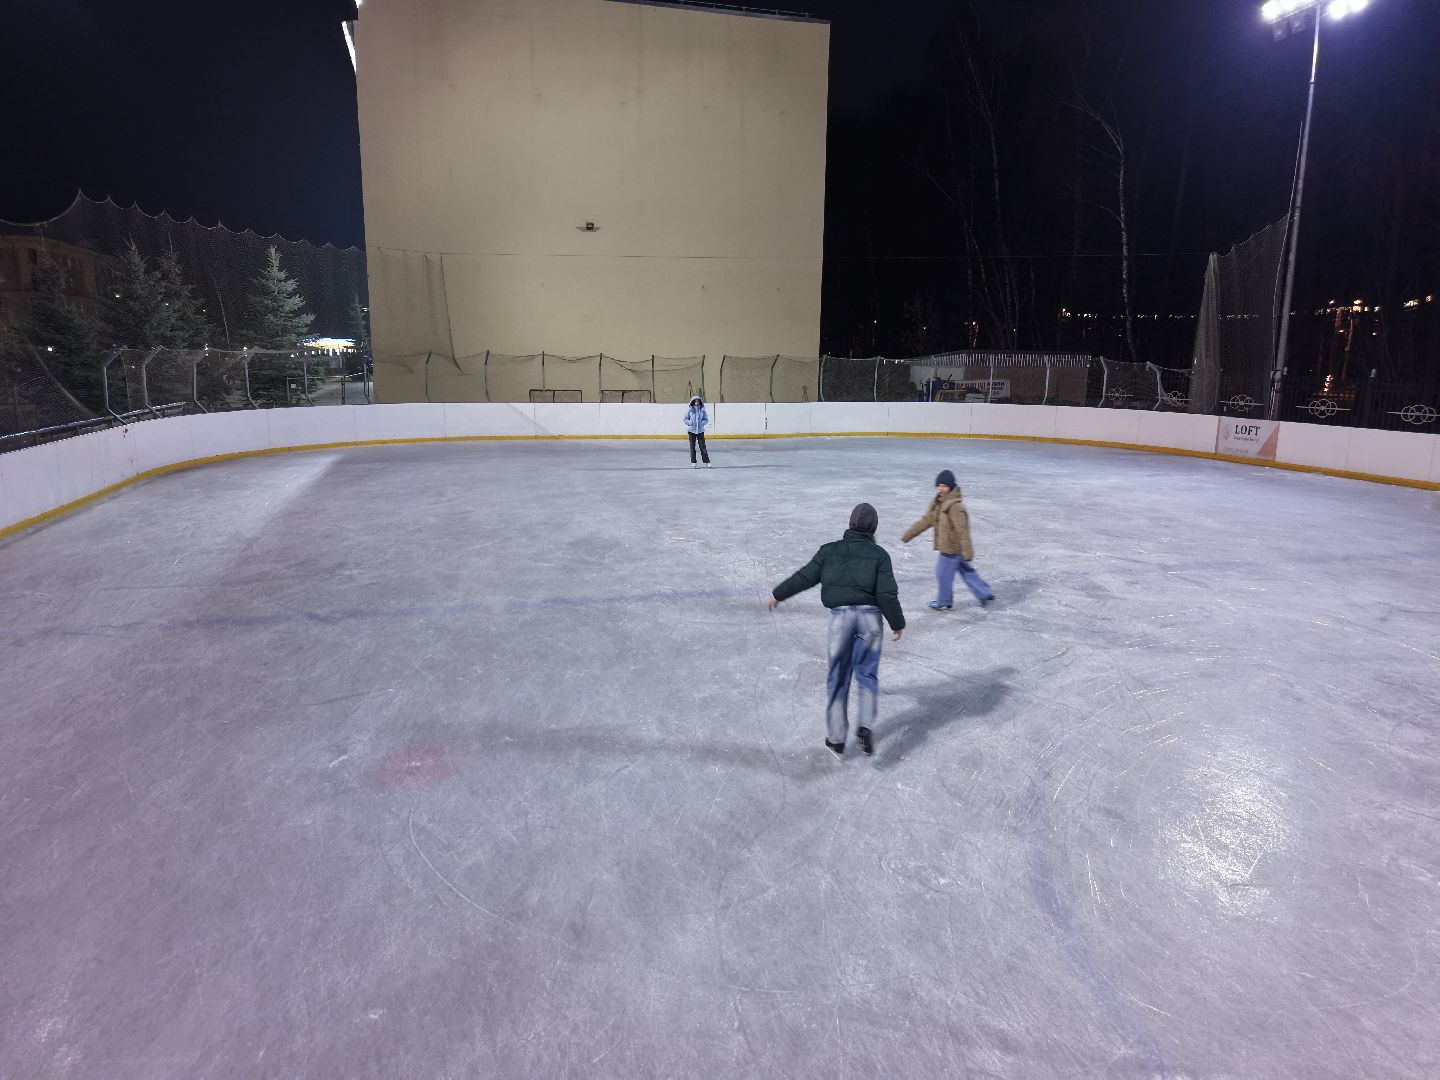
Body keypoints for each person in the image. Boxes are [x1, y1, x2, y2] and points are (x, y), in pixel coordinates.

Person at [768, 503, 906, 756]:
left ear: (850, 524)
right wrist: (897, 623)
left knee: (837, 678)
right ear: (873, 528)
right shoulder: (879, 555)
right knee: (867, 675)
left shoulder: (829, 551)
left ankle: (836, 738)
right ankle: (865, 726)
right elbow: (887, 594)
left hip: (841, 619)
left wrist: (779, 594)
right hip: (870, 620)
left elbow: (804, 577)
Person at [902, 469, 994, 611]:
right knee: (966, 571)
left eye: (944, 486)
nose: (941, 489)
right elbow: (926, 520)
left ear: (950, 486)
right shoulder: (938, 503)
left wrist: (967, 551)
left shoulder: (955, 506)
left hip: (951, 549)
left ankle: (944, 601)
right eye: (939, 485)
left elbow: (962, 530)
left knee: (942, 573)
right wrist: (910, 534)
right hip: (954, 549)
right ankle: (984, 593)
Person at [684, 396, 711, 468]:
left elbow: (706, 419)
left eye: (698, 401)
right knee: (692, 447)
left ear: (700, 402)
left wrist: (702, 423)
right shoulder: (690, 410)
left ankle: (707, 462)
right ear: (693, 402)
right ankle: (693, 462)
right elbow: (685, 419)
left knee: (703, 447)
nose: (696, 402)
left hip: (700, 431)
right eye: (695, 401)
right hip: (691, 431)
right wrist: (690, 423)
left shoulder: (702, 410)